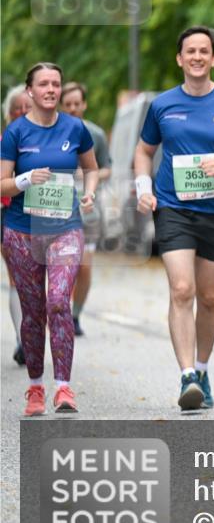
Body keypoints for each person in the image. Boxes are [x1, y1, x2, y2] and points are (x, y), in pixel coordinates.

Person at [134, 26, 214, 411]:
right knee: (181, 289)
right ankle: (187, 374)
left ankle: (203, 370)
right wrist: (144, 186)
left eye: (204, 51)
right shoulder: (161, 106)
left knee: (209, 297)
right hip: (173, 207)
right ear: (179, 58)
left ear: (213, 59)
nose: (197, 57)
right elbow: (144, 151)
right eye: (190, 50)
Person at [0, 63, 99, 416]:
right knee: (33, 312)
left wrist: (88, 193)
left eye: (56, 84)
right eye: (43, 84)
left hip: (64, 227)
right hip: (22, 230)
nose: (51, 89)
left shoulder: (76, 128)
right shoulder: (15, 133)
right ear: (30, 91)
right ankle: (35, 387)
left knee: (58, 301)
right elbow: (2, 184)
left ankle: (64, 388)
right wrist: (26, 180)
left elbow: (90, 168)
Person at [60, 81, 112, 337]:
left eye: (76, 104)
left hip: (88, 209)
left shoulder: (96, 134)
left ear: (84, 105)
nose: (72, 109)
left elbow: (107, 168)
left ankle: (76, 315)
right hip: (56, 209)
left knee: (83, 267)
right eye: (67, 105)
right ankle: (56, 311)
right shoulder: (52, 132)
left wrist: (89, 174)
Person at [3, 85, 31, 365]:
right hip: (8, 214)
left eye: (27, 108)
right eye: (17, 109)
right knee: (16, 275)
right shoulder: (3, 141)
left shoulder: (46, 140)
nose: (22, 113)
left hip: (43, 216)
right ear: (8, 114)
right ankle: (23, 339)